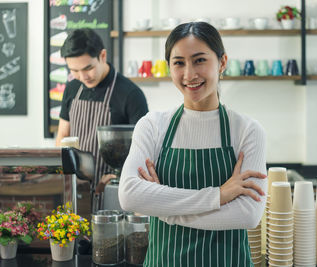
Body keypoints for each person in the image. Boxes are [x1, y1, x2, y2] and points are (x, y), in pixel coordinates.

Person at [119, 22, 267, 266]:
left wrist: (166, 212)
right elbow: (129, 196)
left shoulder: (247, 130)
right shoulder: (153, 126)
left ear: (222, 62)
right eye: (179, 63)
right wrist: (218, 195)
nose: (189, 74)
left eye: (199, 60)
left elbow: (248, 214)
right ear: (169, 68)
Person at [56, 28, 148, 188]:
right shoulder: (72, 88)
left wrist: (119, 178)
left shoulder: (131, 94)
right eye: (75, 71)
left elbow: (143, 149)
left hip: (114, 188)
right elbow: (63, 136)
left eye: (88, 68)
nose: (83, 77)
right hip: (76, 188)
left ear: (103, 56)